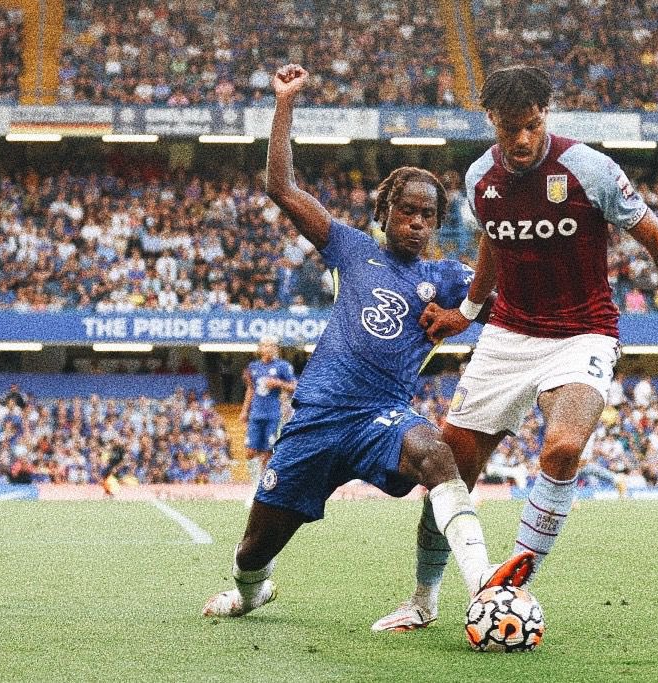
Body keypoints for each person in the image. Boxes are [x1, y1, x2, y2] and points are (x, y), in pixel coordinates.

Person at [373, 65, 658, 631]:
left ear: (545, 116)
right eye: (511, 130)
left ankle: (509, 586)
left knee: (561, 450)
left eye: (532, 126)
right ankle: (423, 601)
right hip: (508, 335)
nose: (523, 140)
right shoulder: (481, 177)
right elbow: (493, 246)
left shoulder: (589, 169)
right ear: (491, 123)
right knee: (449, 467)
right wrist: (468, 314)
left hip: (583, 335)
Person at [202, 64, 533, 621]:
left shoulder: (450, 278)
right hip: (316, 419)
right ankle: (251, 590)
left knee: (435, 452)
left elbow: (508, 299)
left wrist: (469, 310)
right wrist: (285, 104)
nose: (417, 222)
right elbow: (281, 187)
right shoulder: (351, 249)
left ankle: (485, 588)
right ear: (383, 212)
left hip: (381, 416)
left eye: (428, 215)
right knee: (254, 548)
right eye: (406, 211)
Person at [240, 336, 296, 487]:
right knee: (250, 452)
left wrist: (278, 383)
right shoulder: (253, 367)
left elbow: (295, 386)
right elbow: (250, 389)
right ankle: (257, 480)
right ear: (260, 348)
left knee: (267, 453)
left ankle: (260, 487)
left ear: (276, 348)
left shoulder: (282, 366)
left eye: (271, 345)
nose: (268, 348)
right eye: (265, 345)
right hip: (256, 414)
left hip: (273, 415)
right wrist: (245, 410)